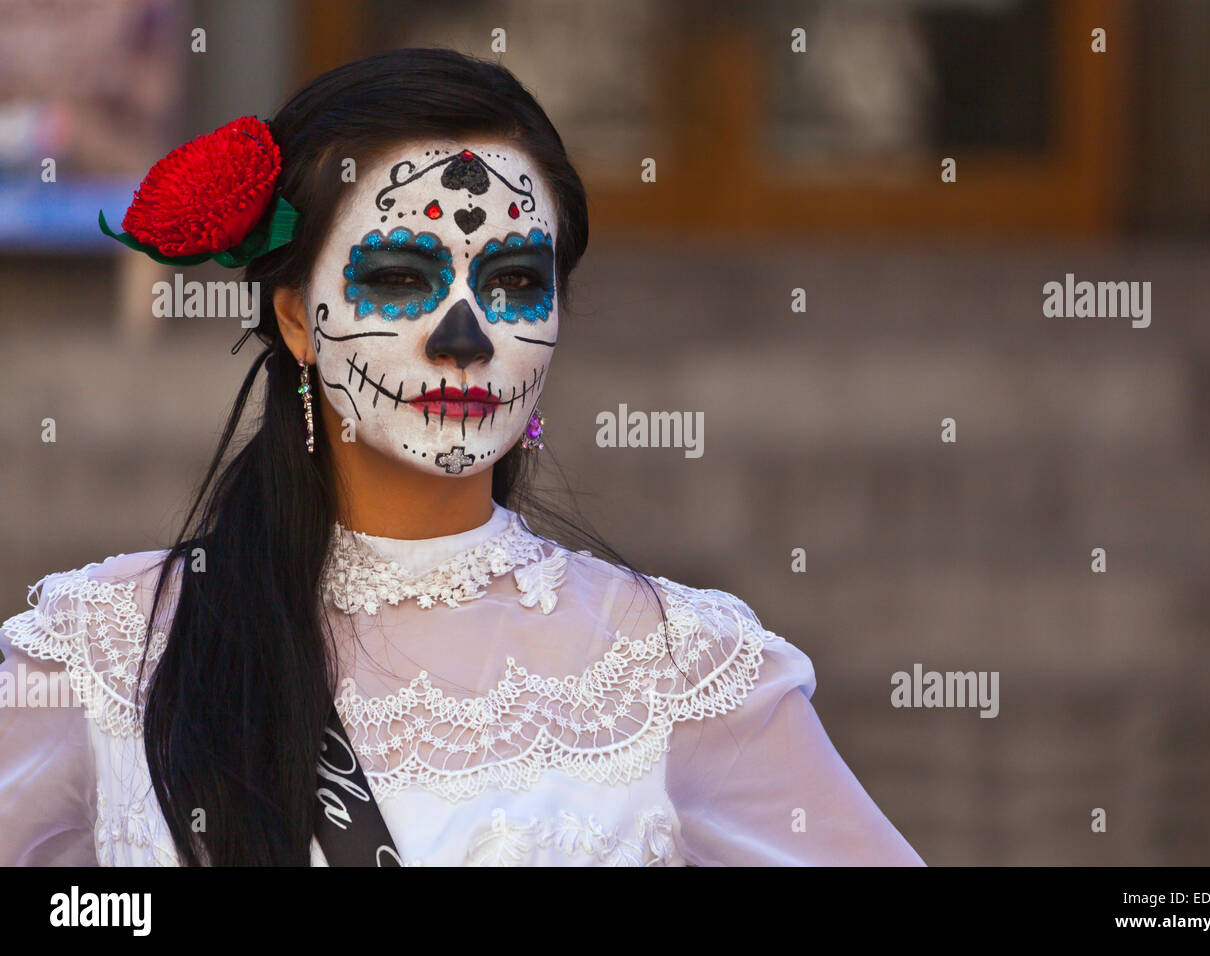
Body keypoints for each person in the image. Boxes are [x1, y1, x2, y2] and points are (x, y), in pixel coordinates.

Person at [0, 48, 923, 867]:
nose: (464, 336)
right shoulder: (108, 648)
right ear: (294, 319)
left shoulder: (681, 671)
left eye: (515, 282)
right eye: (400, 277)